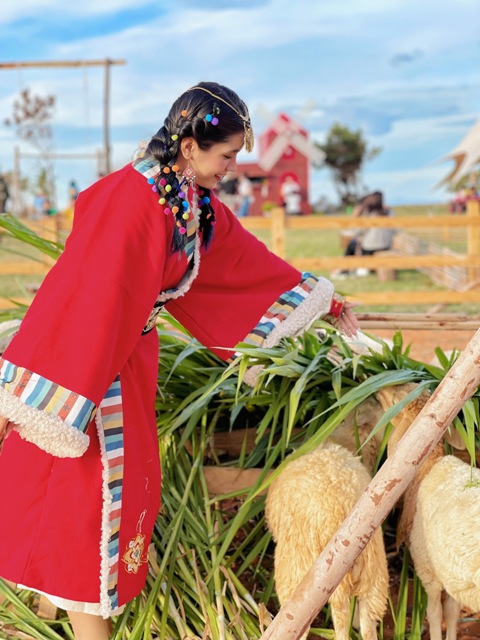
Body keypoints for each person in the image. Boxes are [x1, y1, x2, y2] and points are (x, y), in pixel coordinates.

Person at [0, 81, 359, 640]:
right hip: (86, 368)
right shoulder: (129, 201)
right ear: (190, 146)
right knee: (82, 512)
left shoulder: (187, 202)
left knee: (98, 506)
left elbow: (241, 261)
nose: (232, 168)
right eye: (227, 155)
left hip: (128, 362)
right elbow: (84, 297)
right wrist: (47, 392)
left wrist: (323, 299)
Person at [336, 191, 394, 278]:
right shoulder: (389, 214)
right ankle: (349, 268)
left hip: (370, 246)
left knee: (352, 245)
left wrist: (355, 217)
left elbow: (358, 231)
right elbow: (395, 230)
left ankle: (345, 270)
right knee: (355, 243)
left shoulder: (370, 215)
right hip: (387, 245)